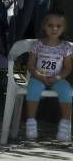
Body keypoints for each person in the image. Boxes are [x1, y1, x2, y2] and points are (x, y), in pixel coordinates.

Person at [24, 10, 73, 142]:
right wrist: (39, 76)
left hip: (57, 79)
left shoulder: (66, 47)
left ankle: (65, 123)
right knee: (33, 88)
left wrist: (57, 78)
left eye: (58, 26)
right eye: (50, 25)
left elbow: (68, 67)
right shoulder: (38, 45)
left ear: (63, 28)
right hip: (39, 78)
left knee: (66, 90)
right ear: (44, 27)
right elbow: (30, 65)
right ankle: (31, 122)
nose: (54, 28)